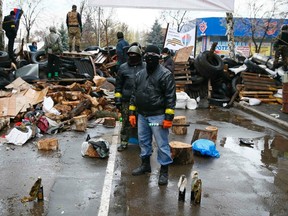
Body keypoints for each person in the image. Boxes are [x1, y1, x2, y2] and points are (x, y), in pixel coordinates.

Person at [129, 45, 176, 185]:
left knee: (161, 144)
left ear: (159, 58)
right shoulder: (140, 75)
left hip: (157, 117)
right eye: (147, 55)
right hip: (142, 116)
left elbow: (170, 97)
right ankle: (145, 165)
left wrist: (168, 118)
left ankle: (164, 171)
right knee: (143, 141)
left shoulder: (165, 75)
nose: (149, 58)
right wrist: (132, 113)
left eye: (152, 56)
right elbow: (134, 95)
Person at [114, 45, 146, 152]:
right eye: (130, 54)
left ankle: (143, 144)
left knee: (142, 123)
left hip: (141, 100)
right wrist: (118, 100)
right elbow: (118, 86)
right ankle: (123, 142)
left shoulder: (145, 67)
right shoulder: (123, 68)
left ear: (139, 56)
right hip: (126, 100)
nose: (132, 56)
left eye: (135, 55)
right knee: (126, 122)